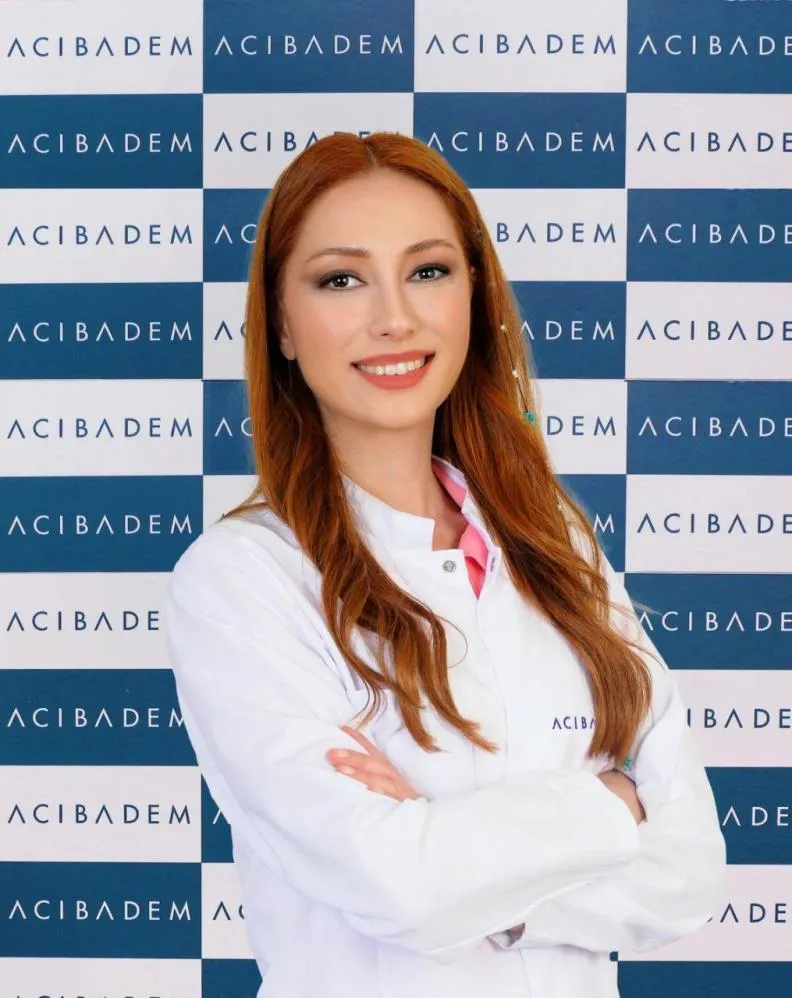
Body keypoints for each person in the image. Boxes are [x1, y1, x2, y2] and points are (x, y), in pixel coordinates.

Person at [164, 132, 727, 997]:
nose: (394, 317)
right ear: (280, 323)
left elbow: (688, 871)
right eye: (341, 280)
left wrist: (452, 845)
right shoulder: (241, 580)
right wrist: (613, 803)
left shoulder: (556, 542)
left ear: (474, 293)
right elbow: (399, 889)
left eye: (427, 271)